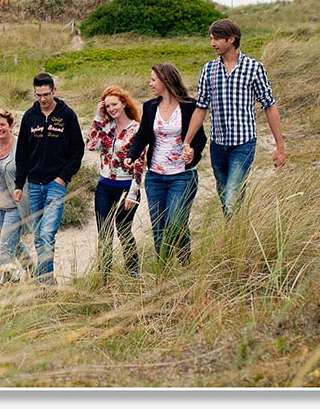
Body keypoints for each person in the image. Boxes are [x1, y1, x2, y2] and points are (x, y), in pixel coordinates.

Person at [181, 18, 286, 218]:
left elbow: (269, 106)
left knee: (231, 197)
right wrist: (186, 141)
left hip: (243, 144)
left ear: (231, 39)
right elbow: (201, 108)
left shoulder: (254, 68)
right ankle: (237, 235)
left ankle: (235, 237)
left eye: (217, 39)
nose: (213, 43)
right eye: (211, 39)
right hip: (218, 144)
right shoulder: (209, 69)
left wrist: (279, 147)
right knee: (226, 199)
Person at [124, 63, 206, 268]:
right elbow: (142, 135)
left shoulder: (189, 106)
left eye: (153, 79)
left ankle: (185, 262)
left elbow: (200, 138)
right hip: (155, 176)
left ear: (165, 80)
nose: (150, 83)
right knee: (159, 228)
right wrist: (131, 156)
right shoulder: (150, 107)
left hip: (182, 175)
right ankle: (164, 269)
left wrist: (192, 153)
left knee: (175, 222)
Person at [13, 72, 85, 285]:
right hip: (34, 184)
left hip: (56, 184)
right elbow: (22, 153)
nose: (43, 99)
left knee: (46, 234)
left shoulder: (67, 115)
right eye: (38, 95)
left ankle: (43, 283)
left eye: (46, 94)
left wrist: (63, 177)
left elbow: (77, 149)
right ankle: (47, 280)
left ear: (54, 91)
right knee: (37, 236)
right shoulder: (29, 117)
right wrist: (19, 184)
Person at [86, 86, 146, 281]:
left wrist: (133, 193)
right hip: (105, 185)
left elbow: (139, 163)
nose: (112, 109)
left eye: (115, 104)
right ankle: (104, 275)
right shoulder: (106, 128)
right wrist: (97, 116)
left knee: (123, 227)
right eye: (108, 105)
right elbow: (91, 145)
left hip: (127, 186)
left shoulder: (137, 128)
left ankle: (132, 271)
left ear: (124, 103)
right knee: (104, 232)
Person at [0, 109, 34, 282]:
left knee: (5, 245)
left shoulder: (21, 145)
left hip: (16, 205)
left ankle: (7, 279)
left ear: (11, 126)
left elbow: (28, 173)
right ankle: (32, 269)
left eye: (3, 124)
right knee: (14, 242)